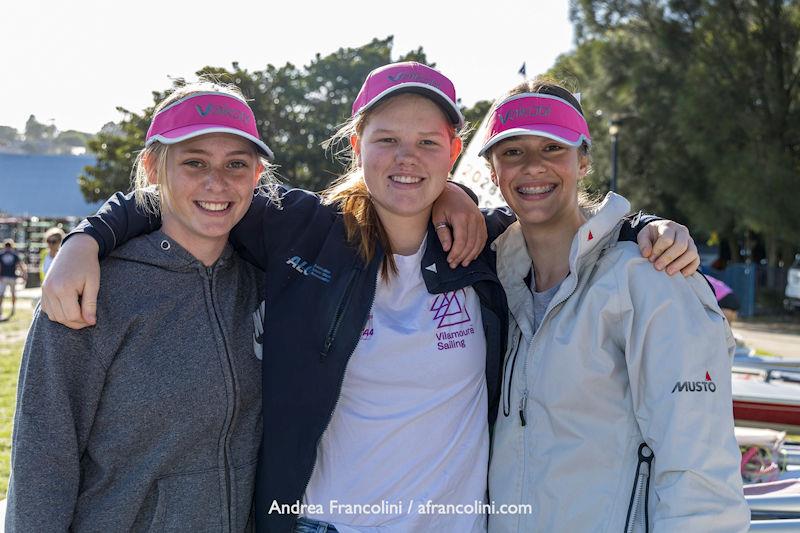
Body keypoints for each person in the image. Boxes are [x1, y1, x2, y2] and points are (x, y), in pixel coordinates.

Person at [41, 63, 699, 532]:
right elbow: (193, 189)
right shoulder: (302, 230)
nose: (404, 159)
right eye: (386, 140)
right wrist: (85, 237)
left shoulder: (489, 248)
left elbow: (569, 225)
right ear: (358, 146)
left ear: (455, 149)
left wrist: (644, 227)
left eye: (425, 143)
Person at [480, 79, 749, 531]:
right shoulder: (495, 280)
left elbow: (699, 467)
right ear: (492, 171)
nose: (532, 167)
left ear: (583, 161)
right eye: (512, 152)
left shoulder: (649, 275)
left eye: (552, 148)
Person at [6, 82, 271, 531]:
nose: (217, 183)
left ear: (257, 176)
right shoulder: (91, 291)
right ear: (152, 168)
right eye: (194, 162)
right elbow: (42, 459)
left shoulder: (263, 285)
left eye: (236, 164)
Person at [0, 238, 27, 319]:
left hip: (4, 277)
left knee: (1, 294)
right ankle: (13, 309)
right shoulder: (15, 254)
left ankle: (1, 310)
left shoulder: (1, 254)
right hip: (11, 277)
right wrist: (24, 275)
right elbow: (20, 265)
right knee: (12, 294)